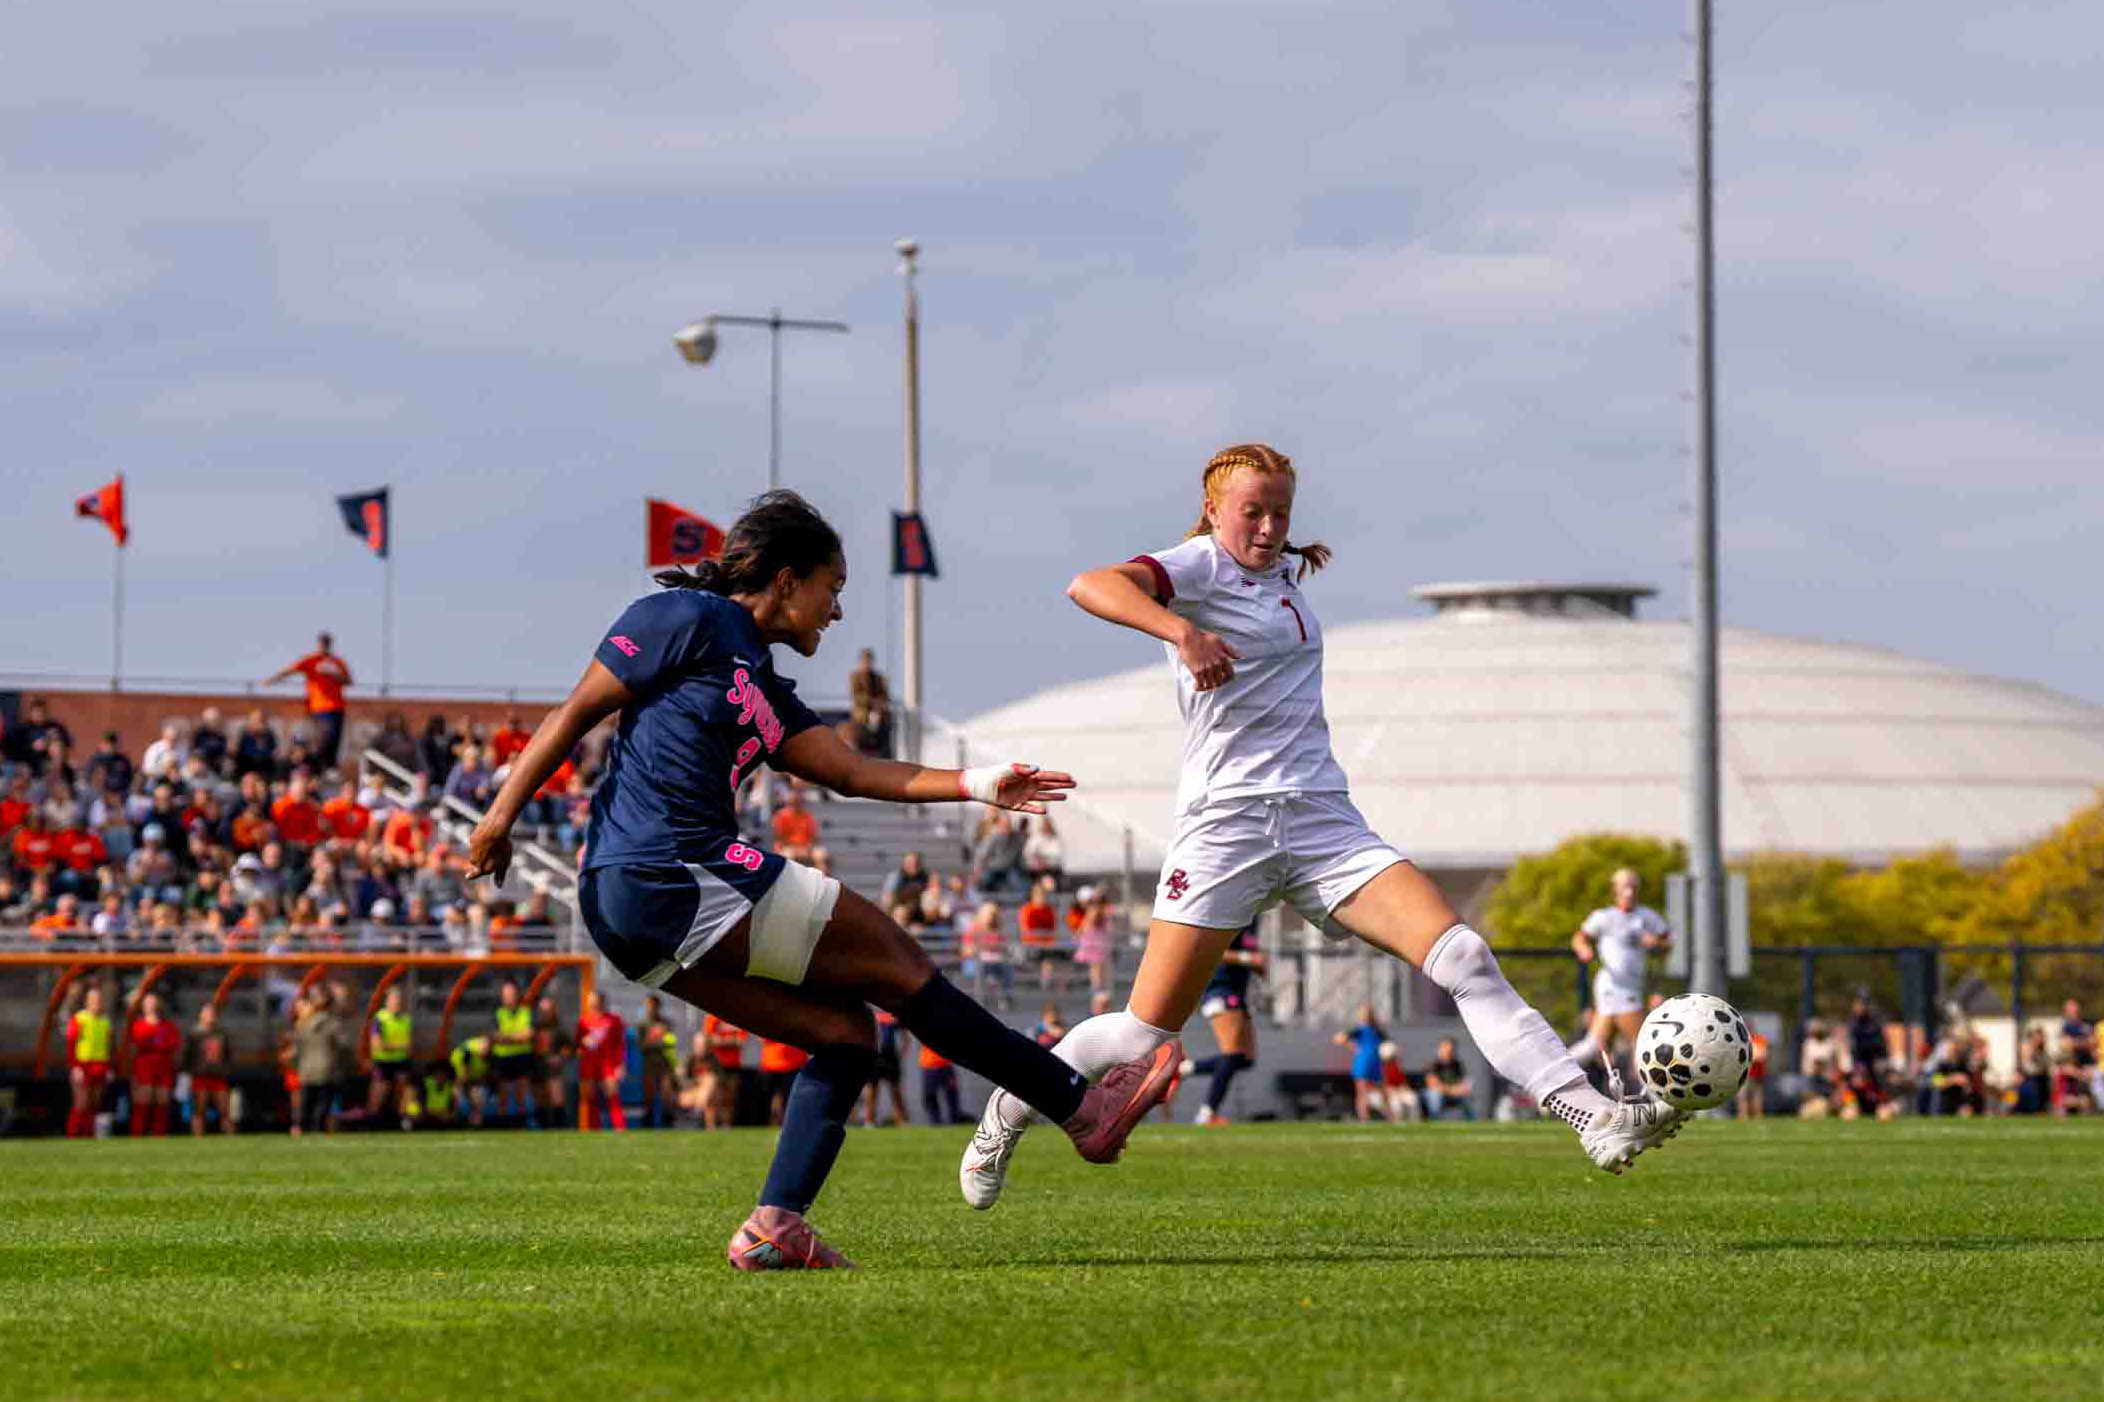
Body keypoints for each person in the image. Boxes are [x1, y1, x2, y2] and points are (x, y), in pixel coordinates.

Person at [465, 489, 1177, 1269]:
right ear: (786, 578)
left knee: (844, 1035)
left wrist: (975, 783)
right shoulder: (688, 618)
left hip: (642, 908)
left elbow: (849, 769)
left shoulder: (762, 684)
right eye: (831, 588)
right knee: (901, 967)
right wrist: (499, 817)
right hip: (665, 868)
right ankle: (1080, 1108)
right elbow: (575, 711)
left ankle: (776, 1225)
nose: (835, 612)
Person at [963, 444, 1677, 1210]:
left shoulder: (1281, 578)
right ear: (1213, 511)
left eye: (1281, 514)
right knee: (1142, 1038)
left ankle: (1592, 1114)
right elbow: (1090, 585)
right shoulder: (1198, 567)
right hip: (1226, 828)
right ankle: (1006, 1114)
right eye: (1252, 512)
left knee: (1463, 954)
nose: (1269, 527)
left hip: (1320, 821)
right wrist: (1180, 633)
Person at [1565, 868, 1671, 1074]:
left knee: (1593, 1045)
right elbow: (1579, 938)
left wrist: (1655, 942)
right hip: (1613, 987)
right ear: (1615, 890)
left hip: (1633, 986)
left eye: (1632, 886)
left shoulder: (1647, 917)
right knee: (1645, 1045)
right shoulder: (1603, 917)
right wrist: (1584, 949)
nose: (1629, 891)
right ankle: (1658, 1099)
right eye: (1624, 886)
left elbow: (1668, 942)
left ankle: (1553, 1074)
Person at [1183, 923, 1265, 1125]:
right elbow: (1213, 951)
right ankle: (1206, 1113)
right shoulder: (1235, 915)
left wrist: (1257, 965)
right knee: (1231, 1055)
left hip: (1238, 994)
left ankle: (1181, 1068)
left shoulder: (1254, 919)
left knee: (1244, 1059)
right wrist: (1248, 959)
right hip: (1220, 991)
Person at [265, 632, 353, 772]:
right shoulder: (312, 660)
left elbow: (349, 681)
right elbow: (290, 669)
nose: (324, 646)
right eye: (322, 643)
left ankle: (329, 767)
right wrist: (273, 679)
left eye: (326, 643)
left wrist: (333, 675)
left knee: (333, 739)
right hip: (317, 707)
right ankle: (318, 767)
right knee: (320, 739)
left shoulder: (337, 662)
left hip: (336, 707)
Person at [128, 991, 181, 1136]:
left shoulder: (168, 1026)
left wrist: (176, 1071)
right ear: (143, 1006)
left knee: (162, 1101)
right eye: (148, 1002)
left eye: (153, 1002)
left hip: (164, 1067)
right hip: (144, 1066)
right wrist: (132, 1074)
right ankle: (138, 1134)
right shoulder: (137, 1026)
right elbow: (133, 1050)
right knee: (143, 1100)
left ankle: (159, 1134)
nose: (151, 1005)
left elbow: (175, 1049)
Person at [65, 984, 113, 1138]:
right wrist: (75, 1066)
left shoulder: (105, 1021)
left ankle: (88, 1134)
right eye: (92, 999)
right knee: (81, 1102)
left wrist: (110, 1067)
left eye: (98, 999)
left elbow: (111, 1046)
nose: (96, 1002)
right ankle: (73, 1134)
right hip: (83, 1065)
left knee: (94, 1103)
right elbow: (71, 1044)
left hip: (100, 1065)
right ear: (86, 1001)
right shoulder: (79, 1019)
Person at [576, 990, 628, 1131]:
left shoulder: (614, 1020)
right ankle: (593, 1128)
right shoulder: (583, 1021)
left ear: (601, 1002)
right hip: (589, 1064)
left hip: (608, 1063)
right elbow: (578, 1044)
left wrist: (620, 1064)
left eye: (594, 1000)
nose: (592, 1003)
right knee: (590, 1097)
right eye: (590, 1001)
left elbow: (620, 1044)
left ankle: (619, 1127)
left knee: (612, 1095)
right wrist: (583, 1043)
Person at [490, 978, 538, 1126]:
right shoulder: (498, 1013)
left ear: (517, 995)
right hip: (502, 1057)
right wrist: (517, 1037)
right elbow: (495, 1036)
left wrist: (508, 1037)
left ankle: (521, 1123)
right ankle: (502, 1125)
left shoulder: (527, 1012)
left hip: (522, 1057)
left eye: (511, 993)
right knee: (503, 1095)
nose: (509, 996)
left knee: (521, 1094)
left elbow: (529, 1034)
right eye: (506, 994)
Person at [366, 985, 415, 1128]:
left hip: (401, 1061)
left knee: (404, 1092)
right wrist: (399, 1046)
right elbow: (377, 1045)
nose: (397, 1002)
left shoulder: (406, 1019)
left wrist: (395, 1046)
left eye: (399, 999)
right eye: (394, 999)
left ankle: (401, 1121)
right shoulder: (380, 1019)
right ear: (387, 1001)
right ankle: (371, 1122)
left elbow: (410, 1045)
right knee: (378, 1094)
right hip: (383, 1062)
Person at [185, 1002, 236, 1134]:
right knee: (199, 1109)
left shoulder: (222, 1034)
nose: (210, 1016)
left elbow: (228, 1055)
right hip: (200, 1075)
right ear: (201, 1015)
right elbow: (187, 1055)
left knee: (224, 1109)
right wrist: (189, 1072)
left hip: (218, 1075)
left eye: (212, 1013)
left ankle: (229, 1136)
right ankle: (197, 1136)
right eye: (207, 1013)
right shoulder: (194, 1034)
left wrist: (226, 1070)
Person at [1333, 1002, 1387, 1123]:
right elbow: (1339, 1038)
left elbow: (1388, 1044)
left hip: (1376, 1062)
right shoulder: (1359, 1030)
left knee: (1381, 1090)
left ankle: (1389, 1116)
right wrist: (1351, 1046)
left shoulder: (1377, 1030)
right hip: (1363, 1062)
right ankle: (1364, 1118)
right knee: (1362, 1091)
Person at [861, 1009, 910, 1127]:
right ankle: (869, 1121)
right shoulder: (871, 1014)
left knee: (896, 1091)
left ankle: (901, 1120)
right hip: (874, 1058)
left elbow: (905, 1036)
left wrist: (901, 1053)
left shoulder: (895, 1015)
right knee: (872, 1090)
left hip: (891, 1058)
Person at [635, 996, 679, 1127]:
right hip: (649, 1065)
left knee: (666, 1094)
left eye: (653, 1006)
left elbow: (670, 1043)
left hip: (664, 1064)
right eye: (648, 1006)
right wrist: (654, 1038)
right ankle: (647, 1122)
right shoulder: (642, 1025)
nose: (651, 1009)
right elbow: (641, 1046)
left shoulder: (666, 1024)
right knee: (649, 1096)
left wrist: (664, 1038)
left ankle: (668, 1122)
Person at [699, 1012, 747, 1130]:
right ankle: (711, 1126)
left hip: (733, 1064)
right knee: (713, 1096)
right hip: (716, 1064)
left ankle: (727, 1125)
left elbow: (741, 1042)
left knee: (729, 1097)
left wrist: (720, 1040)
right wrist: (731, 1041)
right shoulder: (712, 1017)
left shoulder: (739, 1018)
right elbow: (708, 1040)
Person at [532, 995, 573, 1127]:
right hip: (537, 1068)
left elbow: (570, 1047)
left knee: (557, 1101)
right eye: (542, 1011)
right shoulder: (534, 1028)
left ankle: (561, 1129)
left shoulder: (559, 1028)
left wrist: (560, 1058)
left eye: (547, 1010)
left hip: (553, 1070)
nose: (544, 1013)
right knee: (541, 1102)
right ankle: (544, 1130)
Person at [1018, 876, 1062, 993]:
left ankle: (1048, 987)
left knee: (1053, 959)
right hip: (1032, 943)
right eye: (1038, 894)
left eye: (1043, 894)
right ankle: (1042, 985)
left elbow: (1053, 928)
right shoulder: (1027, 909)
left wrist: (1047, 940)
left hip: (1046, 943)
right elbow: (1027, 928)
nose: (1041, 897)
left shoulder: (1049, 910)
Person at [757, 1037, 808, 1127]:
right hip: (771, 1064)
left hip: (794, 1064)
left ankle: (788, 1125)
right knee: (765, 1099)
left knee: (792, 1100)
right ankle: (766, 1123)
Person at [1423, 1037, 1476, 1120]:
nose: (1448, 1051)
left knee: (1466, 1097)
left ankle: (1472, 1122)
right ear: (1440, 1048)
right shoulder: (1433, 1064)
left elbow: (1462, 1082)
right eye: (1445, 1047)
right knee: (1434, 1095)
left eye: (1451, 1048)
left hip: (1453, 1093)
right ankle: (1435, 1121)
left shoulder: (1456, 1064)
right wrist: (1452, 1090)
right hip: (1438, 1093)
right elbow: (1433, 1085)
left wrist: (1461, 1089)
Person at [919, 1038, 962, 1126]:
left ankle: (954, 1121)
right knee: (930, 1096)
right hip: (929, 1065)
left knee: (951, 1095)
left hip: (945, 1064)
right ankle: (935, 1122)